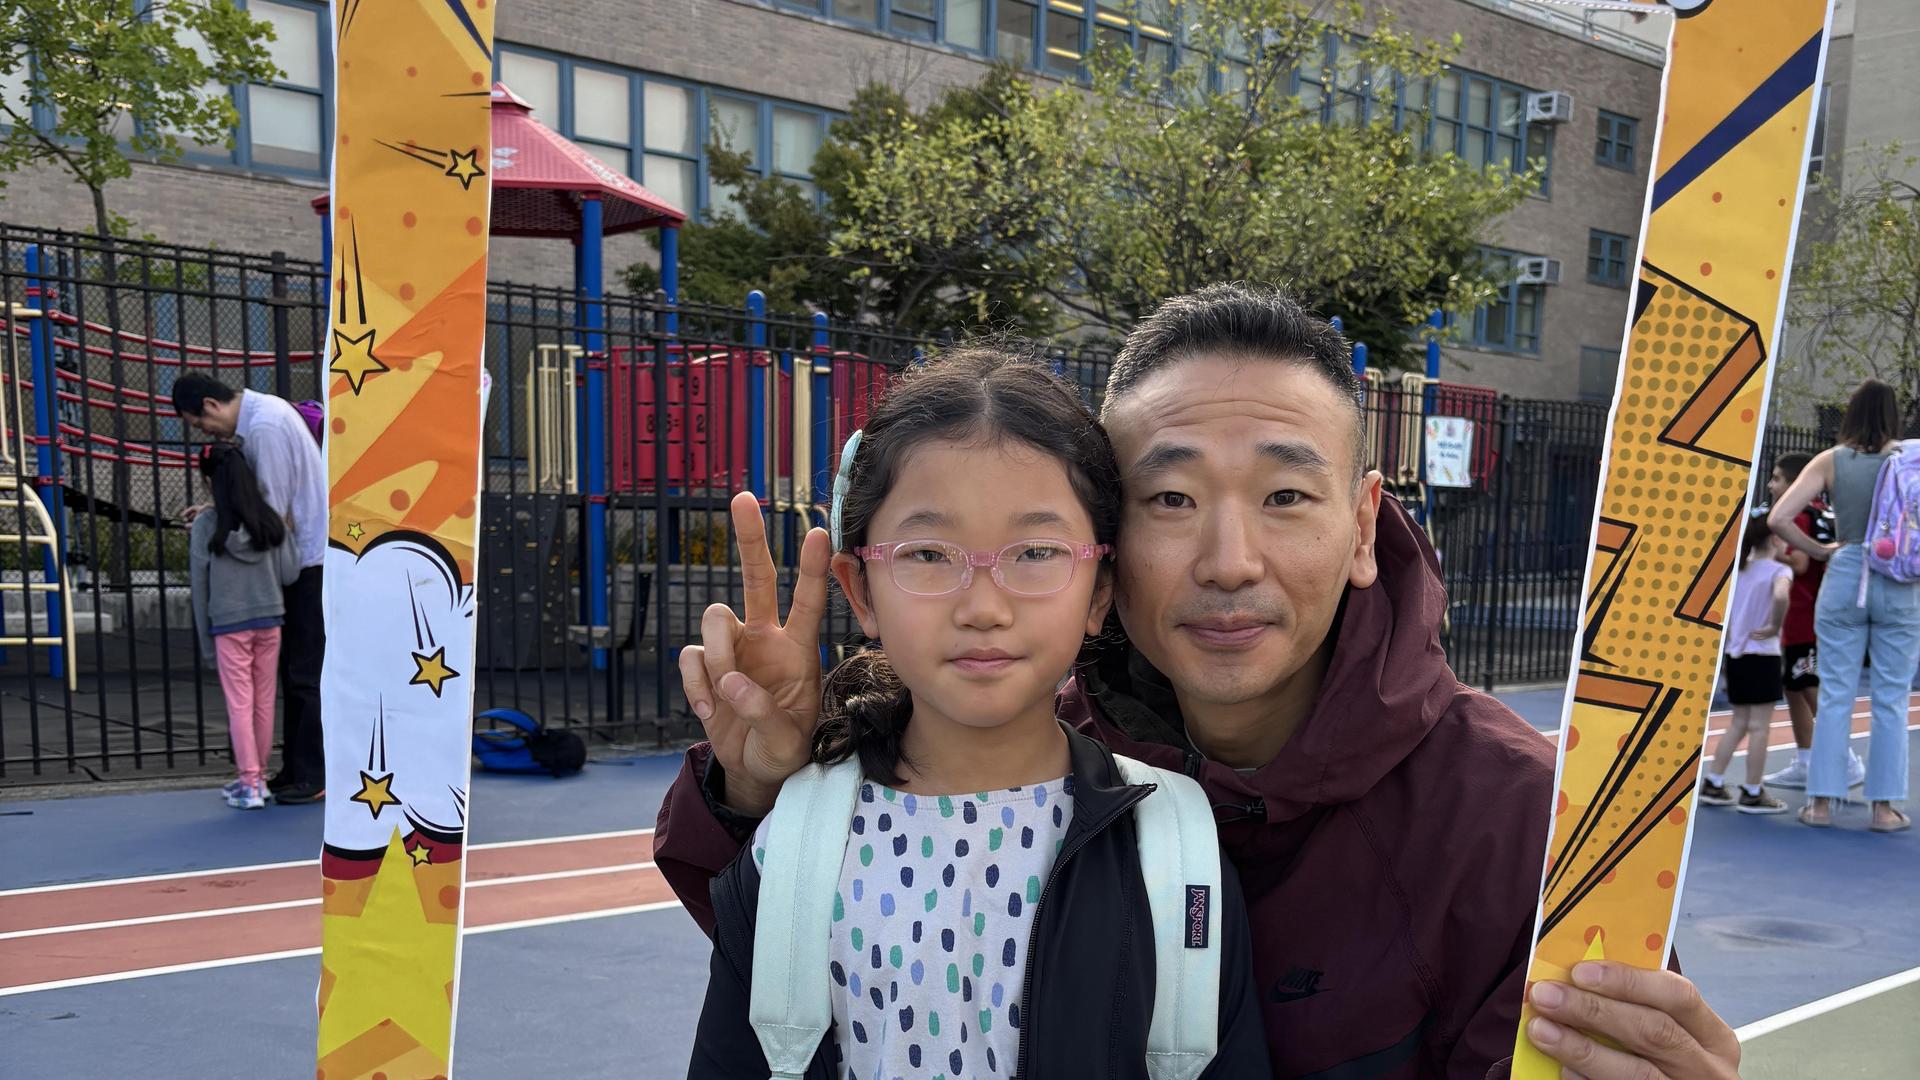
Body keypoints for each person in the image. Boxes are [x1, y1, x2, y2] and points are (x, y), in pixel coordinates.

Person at [662, 285, 1743, 1079]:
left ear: (1364, 524)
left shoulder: (1516, 825)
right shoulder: (1028, 742)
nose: (1229, 560)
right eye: (1170, 501)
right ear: (1107, 543)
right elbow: (833, 973)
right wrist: (758, 794)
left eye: (1285, 496)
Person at [684, 348, 1267, 1078]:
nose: (984, 607)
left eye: (1037, 551)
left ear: (1098, 592)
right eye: (928, 553)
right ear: (859, 590)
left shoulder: (1177, 850)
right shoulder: (794, 846)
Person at [1769, 378, 1919, 833]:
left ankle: (1820, 804)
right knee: (1890, 698)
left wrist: (1818, 551)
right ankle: (1884, 809)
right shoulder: (1912, 459)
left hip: (1847, 569)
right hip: (1899, 581)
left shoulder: (1831, 461)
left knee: (1835, 693)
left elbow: (1777, 517)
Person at [171, 374, 328, 805]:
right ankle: (295, 769)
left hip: (304, 562)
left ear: (211, 405)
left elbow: (272, 516)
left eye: (200, 424)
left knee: (302, 675)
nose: (206, 432)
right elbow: (260, 504)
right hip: (299, 559)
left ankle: (310, 773)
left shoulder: (265, 428)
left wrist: (219, 519)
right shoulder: (266, 416)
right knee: (291, 673)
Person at [190, 444, 301, 809]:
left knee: (240, 704)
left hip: (228, 624)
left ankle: (248, 782)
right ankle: (260, 779)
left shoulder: (207, 526)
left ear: (210, 482)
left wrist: (206, 643)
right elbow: (290, 573)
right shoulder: (269, 520)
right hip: (270, 619)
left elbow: (199, 587)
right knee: (264, 701)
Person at [1760, 452, 1866, 790]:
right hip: (1796, 619)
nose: (1771, 484)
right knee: (1794, 687)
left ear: (1795, 483)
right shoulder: (1810, 514)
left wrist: (1765, 552)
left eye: (1777, 478)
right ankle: (1805, 760)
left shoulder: (1799, 517)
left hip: (1805, 617)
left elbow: (1801, 564)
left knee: (1808, 685)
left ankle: (1845, 758)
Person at [1699, 516, 1791, 814]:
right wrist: (1774, 626)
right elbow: (1780, 594)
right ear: (1775, 539)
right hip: (1763, 655)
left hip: (1736, 655)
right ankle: (1752, 790)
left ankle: (1713, 781)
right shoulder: (1780, 570)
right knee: (1760, 726)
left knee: (1739, 722)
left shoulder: (1741, 571)